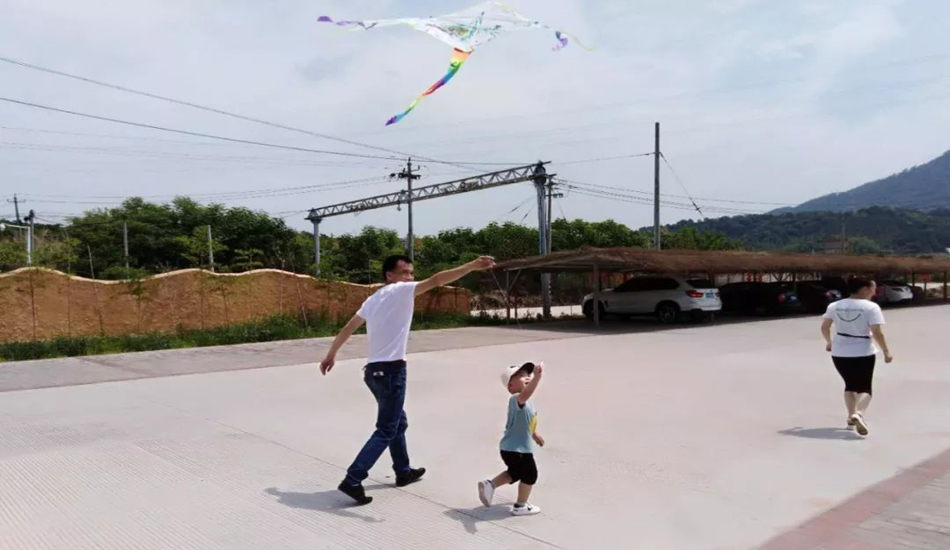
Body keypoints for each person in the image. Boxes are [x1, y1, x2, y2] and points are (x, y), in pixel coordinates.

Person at [320, 254, 496, 505]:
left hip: (373, 373)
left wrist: (331, 354)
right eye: (404, 273)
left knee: (397, 422)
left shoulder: (373, 299)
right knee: (386, 428)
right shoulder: (401, 290)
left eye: (411, 273)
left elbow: (349, 326)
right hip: (391, 372)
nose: (410, 277)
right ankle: (353, 478)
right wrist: (471, 266)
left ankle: (403, 471)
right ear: (389, 275)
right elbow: (437, 280)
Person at [820, 277, 894, 437]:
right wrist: (886, 351)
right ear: (864, 289)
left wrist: (829, 342)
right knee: (865, 387)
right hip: (862, 350)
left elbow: (825, 327)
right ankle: (859, 413)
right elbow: (877, 332)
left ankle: (850, 418)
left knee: (850, 385)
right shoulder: (871, 307)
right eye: (873, 288)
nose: (875, 292)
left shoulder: (834, 305)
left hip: (839, 351)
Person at [477, 361, 545, 516]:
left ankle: (489, 485)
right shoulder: (516, 399)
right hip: (518, 449)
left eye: (528, 374)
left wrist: (534, 435)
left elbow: (526, 423)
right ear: (510, 386)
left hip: (511, 448)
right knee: (530, 475)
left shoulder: (526, 403)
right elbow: (526, 394)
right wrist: (537, 378)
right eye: (520, 375)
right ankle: (521, 506)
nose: (527, 377)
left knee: (515, 473)